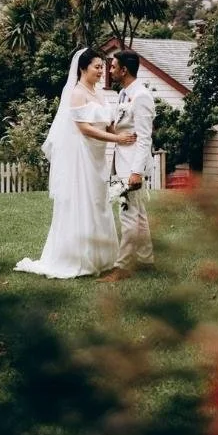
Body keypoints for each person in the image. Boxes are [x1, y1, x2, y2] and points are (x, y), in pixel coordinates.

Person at [15, 48, 136, 279]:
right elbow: (85, 128)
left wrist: (124, 131)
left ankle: (103, 257)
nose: (101, 71)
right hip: (82, 155)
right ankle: (77, 258)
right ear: (83, 68)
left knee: (98, 201)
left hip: (98, 155)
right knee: (83, 199)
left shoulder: (99, 93)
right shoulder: (77, 94)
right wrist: (116, 139)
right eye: (97, 67)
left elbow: (106, 122)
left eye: (103, 67)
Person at [98, 49, 156, 282]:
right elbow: (119, 127)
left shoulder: (141, 96)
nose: (109, 71)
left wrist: (135, 172)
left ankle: (122, 267)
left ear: (124, 70)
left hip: (132, 165)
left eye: (113, 67)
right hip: (120, 161)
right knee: (138, 214)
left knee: (128, 215)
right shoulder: (123, 94)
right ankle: (146, 259)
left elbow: (144, 138)